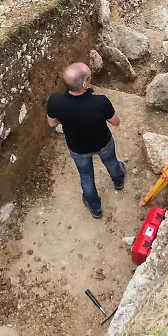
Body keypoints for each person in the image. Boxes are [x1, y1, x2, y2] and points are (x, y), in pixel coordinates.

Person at [46, 62, 124, 219]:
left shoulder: (55, 101)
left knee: (86, 177)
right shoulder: (100, 102)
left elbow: (52, 123)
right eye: (89, 76)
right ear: (84, 84)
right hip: (103, 143)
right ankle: (118, 181)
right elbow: (116, 122)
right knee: (112, 163)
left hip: (78, 148)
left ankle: (95, 207)